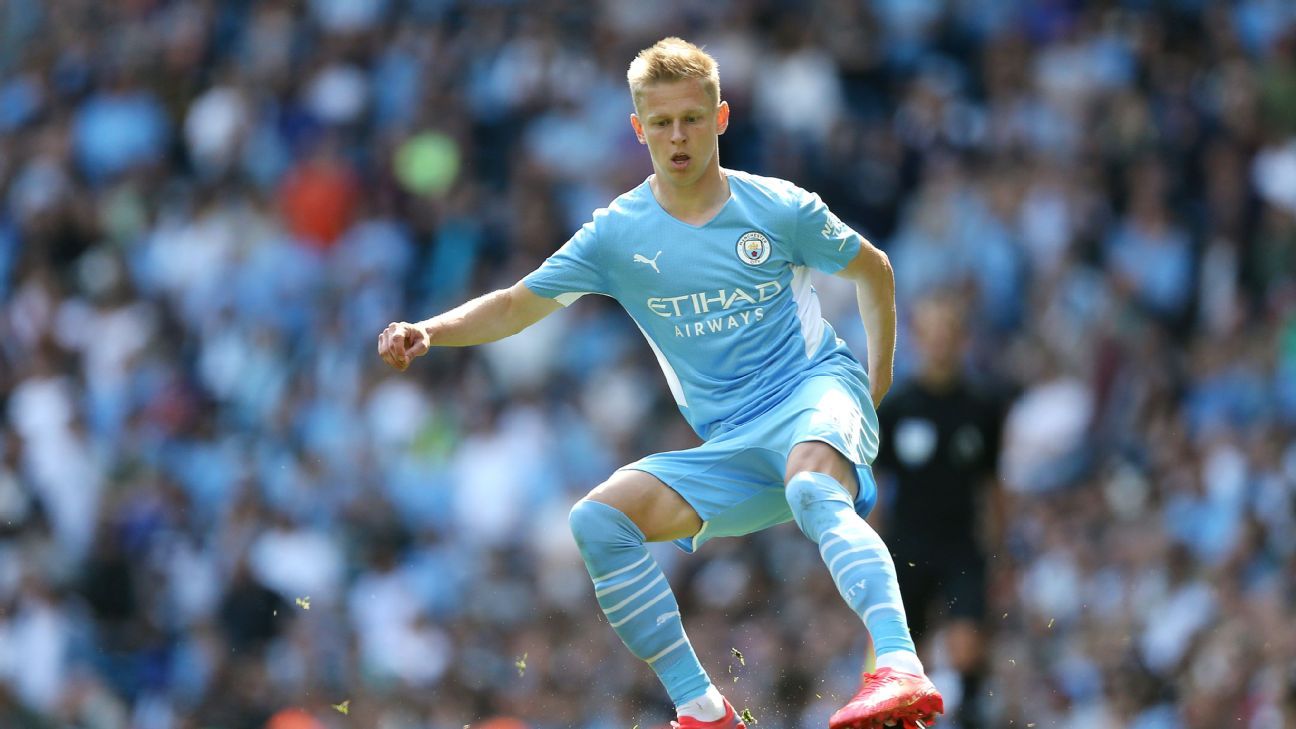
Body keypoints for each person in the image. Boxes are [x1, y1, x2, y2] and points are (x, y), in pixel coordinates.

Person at [378, 38, 943, 729]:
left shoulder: (779, 208)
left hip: (812, 396)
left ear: (721, 118)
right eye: (663, 122)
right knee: (598, 520)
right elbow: (515, 304)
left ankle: (900, 665)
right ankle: (704, 709)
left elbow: (873, 270)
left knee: (809, 486)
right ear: (639, 128)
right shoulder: (617, 234)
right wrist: (430, 330)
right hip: (731, 446)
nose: (679, 136)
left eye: (693, 118)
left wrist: (872, 386)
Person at [873, 295, 1005, 729]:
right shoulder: (896, 408)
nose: (940, 343)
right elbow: (877, 487)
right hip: (906, 546)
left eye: (949, 333)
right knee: (909, 659)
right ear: (916, 339)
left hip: (961, 545)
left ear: (962, 340)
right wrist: (871, 556)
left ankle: (971, 715)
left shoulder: (983, 406)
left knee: (967, 646)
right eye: (931, 334)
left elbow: (993, 485)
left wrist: (998, 552)